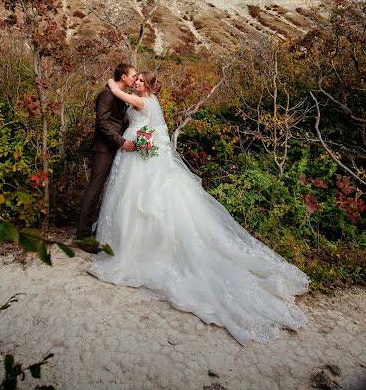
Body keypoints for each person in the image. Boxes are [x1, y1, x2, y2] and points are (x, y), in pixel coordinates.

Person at [88, 71, 309, 345]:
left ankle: (138, 247)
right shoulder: (147, 101)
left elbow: (118, 92)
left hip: (136, 151)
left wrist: (112, 82)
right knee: (131, 200)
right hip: (135, 149)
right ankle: (127, 240)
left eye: (140, 80)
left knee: (140, 200)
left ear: (148, 86)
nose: (136, 82)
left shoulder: (142, 101)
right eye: (136, 78)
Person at [76, 63, 137, 249]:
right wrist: (121, 141)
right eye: (133, 75)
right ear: (123, 77)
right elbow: (102, 123)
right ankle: (83, 238)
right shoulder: (106, 94)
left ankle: (95, 230)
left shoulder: (119, 95)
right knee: (94, 190)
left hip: (114, 147)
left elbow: (118, 121)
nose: (135, 79)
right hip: (104, 148)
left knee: (107, 191)